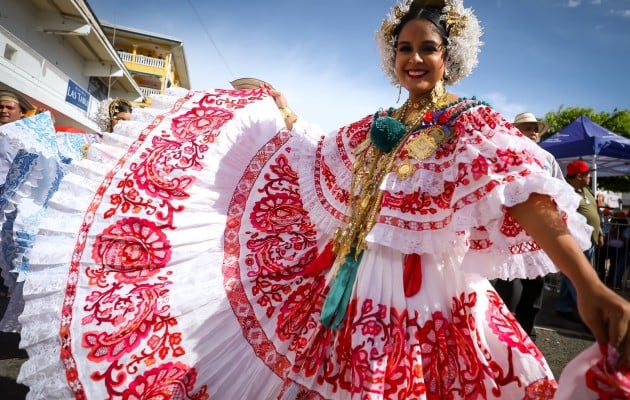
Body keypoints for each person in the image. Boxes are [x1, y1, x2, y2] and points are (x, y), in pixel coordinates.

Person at [14, 1, 630, 399]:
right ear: (393, 58)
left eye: (429, 49)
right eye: (406, 49)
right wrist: (275, 108)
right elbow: (308, 149)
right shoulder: (376, 126)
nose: (415, 59)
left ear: (451, 59)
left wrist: (586, 282)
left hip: (434, 299)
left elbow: (525, 197)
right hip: (354, 292)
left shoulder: (472, 123)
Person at [492, 112, 563, 342]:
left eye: (535, 128)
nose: (532, 131)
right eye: (527, 127)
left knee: (535, 281)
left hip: (539, 228)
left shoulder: (548, 158)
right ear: (515, 130)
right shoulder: (506, 155)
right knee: (508, 279)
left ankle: (527, 331)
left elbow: (559, 189)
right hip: (512, 226)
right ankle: (505, 330)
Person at [555, 160, 604, 322]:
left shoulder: (586, 190)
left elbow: (594, 213)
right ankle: (586, 312)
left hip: (590, 240)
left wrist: (600, 232)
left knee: (572, 275)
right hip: (576, 241)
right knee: (577, 276)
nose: (589, 176)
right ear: (578, 176)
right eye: (586, 174)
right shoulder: (566, 192)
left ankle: (563, 306)